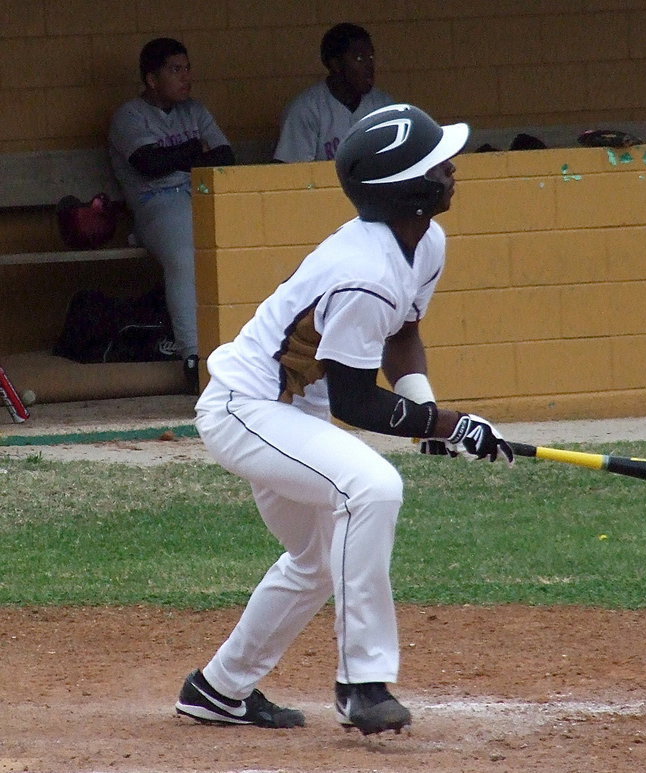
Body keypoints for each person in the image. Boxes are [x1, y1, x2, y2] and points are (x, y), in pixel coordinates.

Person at [174, 103, 514, 736]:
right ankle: (363, 683)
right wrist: (446, 424)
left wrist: (428, 409)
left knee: (316, 557)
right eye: (438, 164)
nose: (451, 169)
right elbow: (356, 403)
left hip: (291, 414)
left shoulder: (422, 242)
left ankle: (217, 689)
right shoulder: (363, 273)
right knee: (372, 487)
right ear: (411, 190)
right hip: (248, 410)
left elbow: (402, 335)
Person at [108, 37, 235, 392]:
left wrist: (181, 156)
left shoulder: (195, 110)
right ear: (152, 79)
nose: (185, 77)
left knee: (239, 244)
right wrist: (194, 151)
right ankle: (193, 356)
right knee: (184, 257)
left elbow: (225, 157)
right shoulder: (129, 115)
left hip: (201, 196)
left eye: (187, 68)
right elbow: (148, 164)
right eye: (174, 70)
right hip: (156, 204)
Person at [271, 22, 394, 163]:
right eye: (359, 58)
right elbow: (291, 175)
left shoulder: (384, 106)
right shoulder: (307, 109)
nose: (369, 66)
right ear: (335, 64)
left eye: (371, 57)